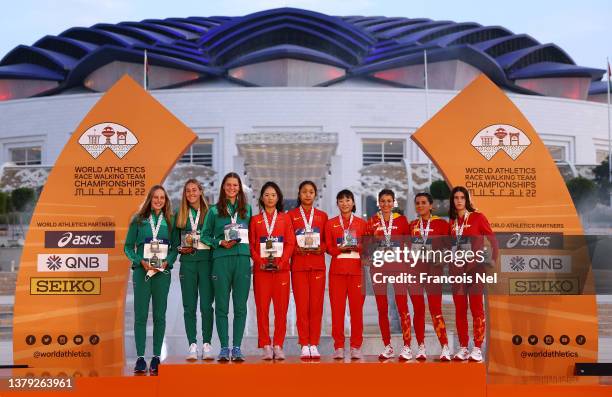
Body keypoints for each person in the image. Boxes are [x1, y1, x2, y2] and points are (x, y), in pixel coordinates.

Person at [124, 185, 178, 374]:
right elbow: (128, 247)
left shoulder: (170, 221)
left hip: (162, 274)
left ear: (166, 200)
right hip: (142, 272)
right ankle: (140, 358)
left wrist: (166, 263)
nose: (158, 200)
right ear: (150, 199)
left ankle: (156, 358)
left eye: (162, 197)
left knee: (159, 316)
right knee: (140, 316)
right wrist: (140, 261)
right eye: (155, 197)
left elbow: (174, 249)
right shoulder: (138, 220)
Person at [201, 172, 252, 362]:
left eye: (235, 185)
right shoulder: (214, 211)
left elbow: (253, 235)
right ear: (223, 187)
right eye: (229, 185)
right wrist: (220, 243)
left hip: (242, 260)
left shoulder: (246, 209)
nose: (232, 188)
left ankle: (237, 347)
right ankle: (224, 347)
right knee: (221, 306)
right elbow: (204, 236)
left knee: (240, 307)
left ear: (240, 188)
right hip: (221, 260)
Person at [448, 186, 498, 362]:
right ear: (452, 201)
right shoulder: (452, 223)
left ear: (467, 200)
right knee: (460, 310)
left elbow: (492, 239)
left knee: (477, 310)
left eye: (462, 197)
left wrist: (493, 259)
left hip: (475, 270)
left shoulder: (478, 217)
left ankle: (477, 347)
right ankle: (463, 347)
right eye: (456, 198)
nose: (459, 200)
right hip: (456, 272)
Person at [249, 181, 295, 360]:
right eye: (267, 195)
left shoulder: (285, 218)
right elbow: (252, 245)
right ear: (261, 198)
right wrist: (260, 262)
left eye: (273, 195)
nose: (270, 198)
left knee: (281, 309)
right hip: (262, 271)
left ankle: (278, 344)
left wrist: (282, 262)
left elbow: (290, 243)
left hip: (281, 270)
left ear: (278, 198)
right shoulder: (255, 220)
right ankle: (266, 345)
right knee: (262, 309)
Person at [366, 189, 412, 360]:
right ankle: (388, 346)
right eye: (382, 201)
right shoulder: (371, 222)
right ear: (379, 202)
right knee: (382, 308)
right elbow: (367, 245)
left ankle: (407, 346)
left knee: (402, 306)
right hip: (378, 268)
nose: (386, 204)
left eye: (389, 201)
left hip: (398, 267)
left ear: (394, 202)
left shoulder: (401, 221)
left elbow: (408, 244)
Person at [325, 189, 368, 360]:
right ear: (337, 204)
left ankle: (356, 346)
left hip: (357, 271)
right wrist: (339, 249)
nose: (345, 203)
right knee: (337, 311)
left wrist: (356, 247)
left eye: (348, 200)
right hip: (337, 272)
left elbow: (368, 247)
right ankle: (339, 346)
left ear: (353, 203)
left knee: (357, 310)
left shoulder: (362, 224)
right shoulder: (330, 224)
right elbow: (328, 247)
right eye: (341, 200)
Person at [174, 179, 214, 361]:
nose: (191, 193)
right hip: (188, 264)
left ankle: (207, 344)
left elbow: (215, 236)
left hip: (206, 262)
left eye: (194, 190)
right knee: (189, 306)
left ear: (200, 192)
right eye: (187, 191)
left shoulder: (210, 212)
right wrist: (179, 249)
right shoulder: (180, 214)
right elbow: (175, 242)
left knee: (206, 306)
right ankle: (192, 344)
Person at [408, 192, 451, 361]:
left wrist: (443, 257)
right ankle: (420, 347)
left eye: (424, 202)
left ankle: (445, 346)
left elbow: (451, 247)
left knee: (435, 309)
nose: (420, 205)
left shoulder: (441, 224)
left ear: (431, 205)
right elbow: (404, 246)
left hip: (434, 271)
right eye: (417, 203)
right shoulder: (412, 225)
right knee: (418, 310)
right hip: (415, 272)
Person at [288, 181, 328, 359]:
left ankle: (314, 343)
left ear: (315, 194)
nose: (307, 195)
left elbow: (327, 242)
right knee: (302, 307)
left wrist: (320, 248)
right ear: (299, 194)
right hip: (299, 267)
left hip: (318, 266)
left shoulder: (322, 216)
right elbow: (289, 241)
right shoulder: (291, 215)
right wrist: (298, 249)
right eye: (304, 191)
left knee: (316, 307)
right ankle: (304, 343)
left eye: (311, 192)